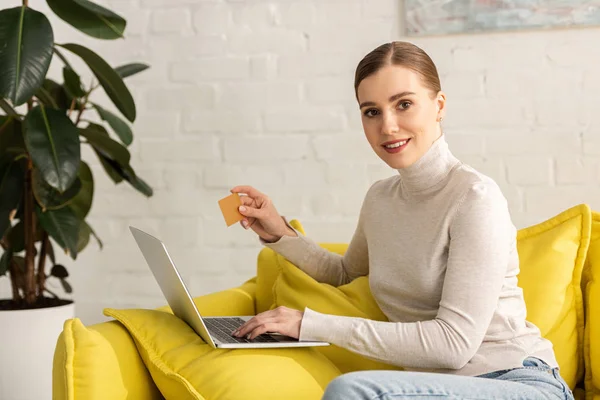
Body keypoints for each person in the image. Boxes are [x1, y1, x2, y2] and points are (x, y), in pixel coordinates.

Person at [228, 41, 574, 400]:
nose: (388, 126)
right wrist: (278, 233)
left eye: (404, 104)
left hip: (517, 383)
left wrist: (309, 325)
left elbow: (453, 345)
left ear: (439, 106)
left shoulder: (475, 198)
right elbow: (346, 272)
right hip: (434, 389)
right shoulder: (381, 198)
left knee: (353, 391)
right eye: (371, 112)